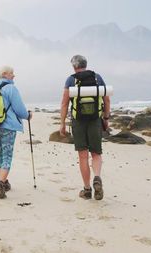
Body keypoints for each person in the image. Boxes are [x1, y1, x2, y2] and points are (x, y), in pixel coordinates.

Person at [59, 55, 111, 200]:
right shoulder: (97, 78)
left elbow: (64, 103)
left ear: (74, 67)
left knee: (83, 155)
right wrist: (106, 118)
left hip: (78, 121)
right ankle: (97, 177)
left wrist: (62, 123)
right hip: (95, 120)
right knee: (96, 153)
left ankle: (87, 189)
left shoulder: (71, 80)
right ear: (85, 64)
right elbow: (106, 99)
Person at [0, 66, 31, 199]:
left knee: (1, 155)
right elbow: (19, 109)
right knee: (7, 156)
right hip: (8, 127)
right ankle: (1, 184)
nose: (14, 75)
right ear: (4, 74)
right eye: (11, 73)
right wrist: (27, 115)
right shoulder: (10, 88)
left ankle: (5, 182)